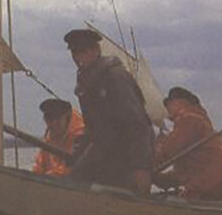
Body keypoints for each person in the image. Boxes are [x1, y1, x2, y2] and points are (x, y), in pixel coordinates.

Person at [63, 28, 154, 194]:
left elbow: (138, 124)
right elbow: (92, 127)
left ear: (96, 50)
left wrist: (141, 167)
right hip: (104, 148)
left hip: (124, 152)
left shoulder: (114, 77)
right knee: (73, 182)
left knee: (104, 189)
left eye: (84, 51)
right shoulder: (86, 79)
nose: (78, 57)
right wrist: (77, 152)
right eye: (75, 52)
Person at [152, 86, 222, 201]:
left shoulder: (189, 120)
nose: (166, 108)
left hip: (215, 187)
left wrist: (142, 167)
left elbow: (167, 152)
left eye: (168, 103)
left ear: (178, 102)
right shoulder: (200, 122)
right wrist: (158, 178)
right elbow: (184, 173)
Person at [32, 98, 85, 178]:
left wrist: (47, 177)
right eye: (49, 119)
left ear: (66, 117)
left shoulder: (81, 137)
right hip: (50, 184)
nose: (53, 123)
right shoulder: (49, 137)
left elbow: (71, 168)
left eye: (57, 119)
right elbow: (39, 165)